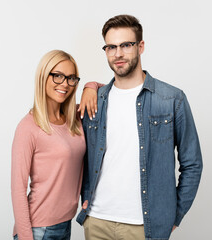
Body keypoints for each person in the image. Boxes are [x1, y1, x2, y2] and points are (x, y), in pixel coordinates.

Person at [76, 14, 203, 240]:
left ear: (141, 46)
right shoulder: (96, 100)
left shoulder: (172, 99)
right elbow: (77, 154)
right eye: (111, 47)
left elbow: (192, 163)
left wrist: (174, 215)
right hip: (96, 221)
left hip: (144, 226)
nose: (118, 54)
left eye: (126, 45)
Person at [11, 50, 87, 240]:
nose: (65, 84)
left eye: (71, 78)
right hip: (39, 229)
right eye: (58, 76)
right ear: (44, 76)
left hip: (65, 223)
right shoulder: (28, 127)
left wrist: (90, 87)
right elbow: (18, 189)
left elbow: (110, 91)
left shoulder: (75, 118)